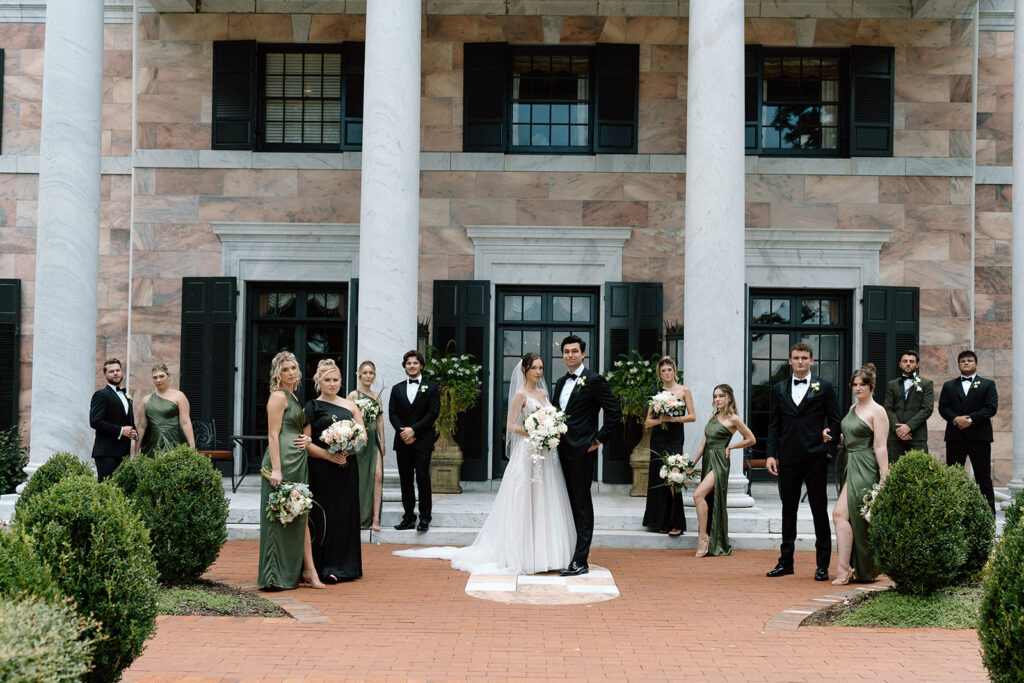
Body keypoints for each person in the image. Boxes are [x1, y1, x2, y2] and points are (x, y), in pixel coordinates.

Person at [394, 353, 576, 574]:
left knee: (544, 499)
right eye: (534, 368)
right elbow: (510, 426)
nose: (538, 372)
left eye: (541, 368)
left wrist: (551, 428)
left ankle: (546, 553)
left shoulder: (544, 393)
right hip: (527, 452)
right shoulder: (520, 394)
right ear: (524, 370)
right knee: (524, 500)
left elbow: (550, 416)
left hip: (544, 455)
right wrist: (535, 430)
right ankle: (522, 554)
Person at [765, 342, 842, 581]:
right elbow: (774, 424)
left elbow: (836, 419)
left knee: (819, 511)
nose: (800, 361)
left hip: (815, 458)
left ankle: (823, 565)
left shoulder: (825, 387)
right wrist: (770, 454)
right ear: (789, 361)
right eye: (796, 358)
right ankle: (785, 562)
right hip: (788, 458)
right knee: (789, 511)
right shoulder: (778, 388)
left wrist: (827, 450)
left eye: (804, 357)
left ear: (811, 360)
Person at [551, 334, 622, 577]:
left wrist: (598, 440)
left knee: (581, 505)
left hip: (581, 452)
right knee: (565, 503)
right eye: (566, 351)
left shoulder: (594, 380)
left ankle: (581, 560)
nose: (570, 355)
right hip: (558, 452)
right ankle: (565, 553)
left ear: (583, 354)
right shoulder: (560, 382)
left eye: (574, 351)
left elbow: (614, 412)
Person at [257, 351, 325, 590]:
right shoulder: (278, 396)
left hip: (297, 461)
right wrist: (276, 469)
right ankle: (274, 576)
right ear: (278, 373)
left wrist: (307, 442)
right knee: (279, 516)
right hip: (282, 462)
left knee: (300, 515)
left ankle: (307, 570)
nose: (290, 373)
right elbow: (272, 435)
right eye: (285, 369)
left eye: (293, 368)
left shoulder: (294, 397)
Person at [304, 359, 364, 583]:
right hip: (321, 470)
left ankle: (345, 566)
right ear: (318, 381)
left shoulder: (350, 406)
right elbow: (306, 444)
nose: (332, 384)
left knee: (345, 514)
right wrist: (330, 455)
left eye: (335, 379)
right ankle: (323, 566)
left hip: (346, 468)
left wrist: (349, 446)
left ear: (341, 381)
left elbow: (363, 436)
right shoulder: (311, 407)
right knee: (324, 516)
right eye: (327, 380)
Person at [829, 364, 889, 585]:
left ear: (871, 386)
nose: (857, 388)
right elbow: (849, 438)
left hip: (866, 466)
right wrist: (833, 438)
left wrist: (884, 478)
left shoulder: (878, 411)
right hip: (850, 462)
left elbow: (880, 447)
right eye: (854, 384)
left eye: (862, 384)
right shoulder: (853, 407)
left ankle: (856, 569)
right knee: (841, 515)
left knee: (856, 518)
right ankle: (845, 569)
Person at [692, 384, 755, 558]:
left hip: (720, 461)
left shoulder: (734, 418)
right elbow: (703, 443)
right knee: (706, 498)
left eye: (720, 396)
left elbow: (751, 439)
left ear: (729, 397)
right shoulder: (713, 416)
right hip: (707, 459)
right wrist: (692, 464)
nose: (717, 399)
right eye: (715, 396)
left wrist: (731, 447)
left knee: (698, 495)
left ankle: (703, 538)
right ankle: (708, 537)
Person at [938, 350, 999, 515]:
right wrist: (956, 419)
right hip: (955, 437)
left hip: (980, 438)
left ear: (976, 364)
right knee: (953, 476)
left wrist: (970, 419)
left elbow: (991, 408)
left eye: (969, 360)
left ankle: (988, 517)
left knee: (983, 478)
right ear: (958, 364)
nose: (966, 363)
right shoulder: (949, 385)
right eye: (963, 360)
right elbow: (943, 408)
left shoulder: (988, 384)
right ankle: (952, 516)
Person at [642, 357, 695, 536]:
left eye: (669, 370)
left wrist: (674, 419)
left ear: (675, 371)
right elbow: (647, 422)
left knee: (673, 476)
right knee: (659, 478)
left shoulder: (684, 390)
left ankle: (676, 522)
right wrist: (660, 420)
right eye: (663, 371)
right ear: (660, 373)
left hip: (674, 438)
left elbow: (692, 416)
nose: (666, 373)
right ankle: (660, 521)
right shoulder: (656, 393)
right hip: (658, 438)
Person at [389, 350, 440, 532]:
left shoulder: (431, 388)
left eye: (415, 363)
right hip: (402, 441)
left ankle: (425, 518)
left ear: (421, 366)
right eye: (409, 363)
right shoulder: (397, 389)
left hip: (423, 441)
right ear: (405, 366)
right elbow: (392, 414)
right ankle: (408, 517)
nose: (412, 366)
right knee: (406, 479)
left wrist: (413, 430)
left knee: (423, 478)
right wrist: (403, 432)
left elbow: (433, 413)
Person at [347, 360, 385, 531]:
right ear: (359, 375)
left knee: (377, 476)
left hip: (373, 440)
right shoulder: (353, 396)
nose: (368, 376)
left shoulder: (377, 396)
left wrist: (382, 441)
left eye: (371, 373)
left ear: (374, 375)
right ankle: (358, 517)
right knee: (360, 479)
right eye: (365, 373)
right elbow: (347, 420)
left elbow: (380, 420)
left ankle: (375, 518)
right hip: (359, 442)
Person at [881, 350, 933, 462]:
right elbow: (888, 409)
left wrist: (908, 427)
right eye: (905, 361)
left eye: (911, 361)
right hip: (896, 437)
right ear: (900, 364)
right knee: (896, 472)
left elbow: (927, 409)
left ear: (917, 364)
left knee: (920, 473)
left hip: (917, 436)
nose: (908, 363)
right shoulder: (892, 384)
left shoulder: (926, 384)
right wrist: (899, 430)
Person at [90, 358, 137, 481]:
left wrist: (133, 432)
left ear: (122, 372)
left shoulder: (126, 396)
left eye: (118, 370)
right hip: (106, 453)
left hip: (124, 453)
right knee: (107, 490)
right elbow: (95, 421)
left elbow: (128, 422)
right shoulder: (101, 395)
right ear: (105, 375)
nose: (115, 373)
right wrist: (121, 430)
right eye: (111, 371)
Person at [136, 363, 195, 455]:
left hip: (172, 441)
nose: (158, 380)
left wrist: (192, 446)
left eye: (161, 376)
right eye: (155, 377)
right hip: (150, 444)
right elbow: (141, 426)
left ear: (169, 376)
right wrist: (136, 450)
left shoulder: (179, 396)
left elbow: (185, 422)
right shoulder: (146, 400)